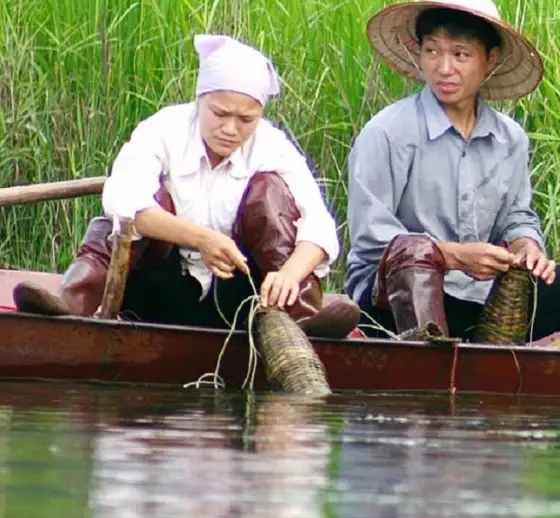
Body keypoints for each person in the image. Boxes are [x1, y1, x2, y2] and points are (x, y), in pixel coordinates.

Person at [345, 0, 560, 348]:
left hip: (481, 297)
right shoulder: (387, 133)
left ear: (489, 60)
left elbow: (517, 218)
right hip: (390, 303)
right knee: (413, 252)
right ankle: (428, 383)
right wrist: (454, 256)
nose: (444, 68)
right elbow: (370, 240)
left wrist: (527, 248)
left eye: (460, 55)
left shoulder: (511, 139)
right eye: (432, 52)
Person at [13, 34, 360, 339]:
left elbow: (319, 225)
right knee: (126, 217)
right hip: (164, 283)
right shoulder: (164, 128)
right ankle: (72, 304)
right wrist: (201, 239)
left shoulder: (272, 145)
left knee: (270, 192)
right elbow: (123, 200)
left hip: (241, 294)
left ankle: (300, 322)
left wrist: (289, 273)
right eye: (219, 113)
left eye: (245, 120)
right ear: (200, 100)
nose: (230, 129)